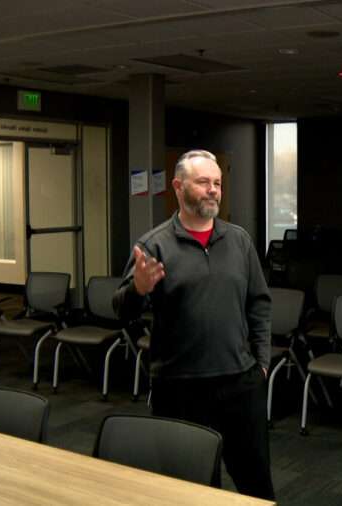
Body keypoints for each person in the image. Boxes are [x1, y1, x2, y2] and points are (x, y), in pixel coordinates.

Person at [113, 149, 274, 499]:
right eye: (203, 182)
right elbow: (120, 310)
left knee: (256, 485)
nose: (213, 189)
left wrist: (261, 364)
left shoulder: (239, 241)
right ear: (178, 186)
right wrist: (139, 289)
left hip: (240, 384)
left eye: (217, 183)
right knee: (191, 490)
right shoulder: (154, 245)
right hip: (180, 388)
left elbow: (259, 304)